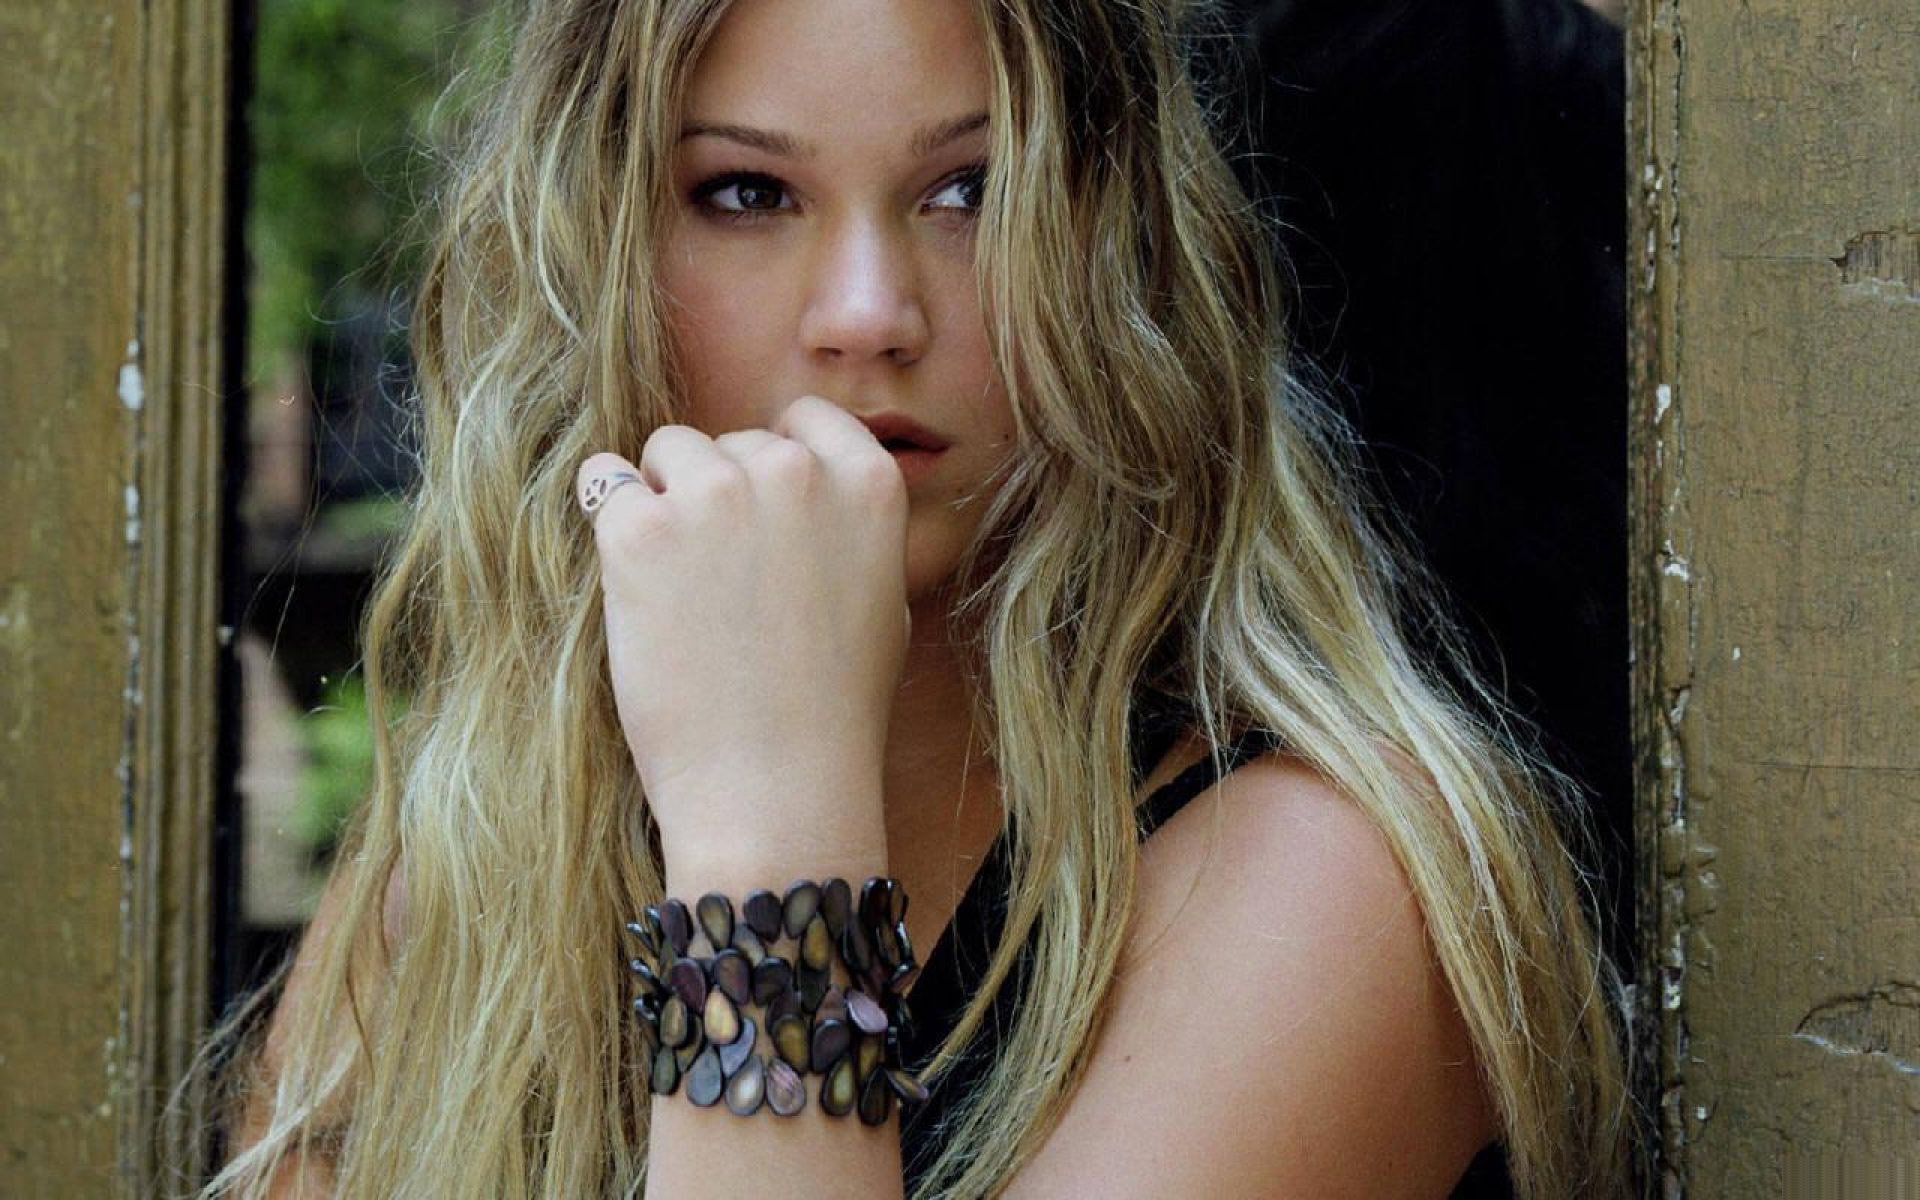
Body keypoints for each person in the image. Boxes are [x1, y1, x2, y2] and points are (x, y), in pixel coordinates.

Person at [198, 0, 1635, 1196]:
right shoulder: (483, 833)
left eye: (971, 190)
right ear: (597, 257)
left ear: (1116, 252)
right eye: (747, 194)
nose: (871, 313)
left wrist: (766, 815)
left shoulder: (1335, 888)